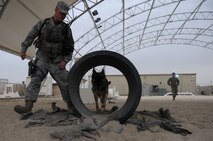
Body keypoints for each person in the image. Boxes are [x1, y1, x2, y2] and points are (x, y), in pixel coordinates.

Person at [14, 1, 79, 116]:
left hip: (57, 61)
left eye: (65, 14)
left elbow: (70, 48)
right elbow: (31, 35)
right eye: (61, 13)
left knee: (66, 81)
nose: (63, 16)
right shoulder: (43, 23)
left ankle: (72, 107)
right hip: (43, 58)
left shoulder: (66, 29)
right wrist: (23, 49)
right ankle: (28, 107)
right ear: (55, 10)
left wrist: (64, 61)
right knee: (35, 79)